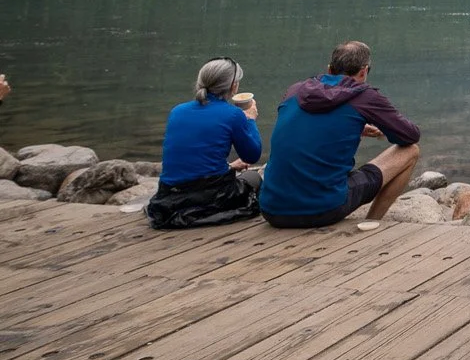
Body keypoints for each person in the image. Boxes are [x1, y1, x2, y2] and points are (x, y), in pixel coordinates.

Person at [259, 42, 421, 230]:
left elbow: (308, 130)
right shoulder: (364, 97)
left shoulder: (295, 91)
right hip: (323, 210)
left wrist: (355, 128)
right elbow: (410, 135)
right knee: (411, 151)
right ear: (364, 72)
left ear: (329, 68)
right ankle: (371, 222)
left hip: (272, 210)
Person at [147, 57, 264, 229]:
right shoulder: (233, 114)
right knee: (254, 178)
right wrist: (250, 119)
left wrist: (229, 167)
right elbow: (252, 155)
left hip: (170, 194)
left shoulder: (177, 111)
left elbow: (194, 154)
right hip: (211, 195)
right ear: (233, 86)